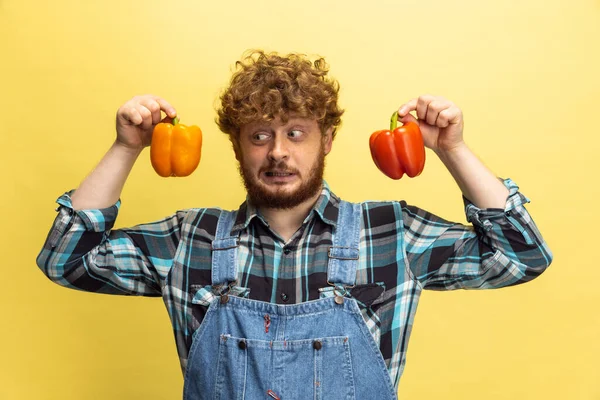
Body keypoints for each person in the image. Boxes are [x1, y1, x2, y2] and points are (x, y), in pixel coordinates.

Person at [37, 50, 553, 400]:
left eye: (296, 133)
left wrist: (452, 149)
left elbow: (521, 256)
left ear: (326, 141)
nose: (279, 152)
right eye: (259, 135)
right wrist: (128, 147)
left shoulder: (392, 233)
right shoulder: (188, 239)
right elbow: (67, 261)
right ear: (238, 146)